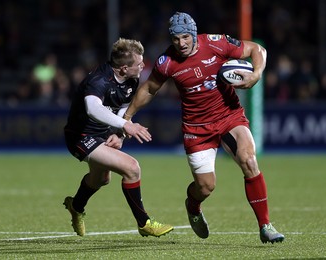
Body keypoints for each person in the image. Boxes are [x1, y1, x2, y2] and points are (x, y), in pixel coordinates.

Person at [123, 12, 285, 243]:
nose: (181, 43)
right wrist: (127, 118)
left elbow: (257, 50)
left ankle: (265, 226)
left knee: (248, 160)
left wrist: (256, 74)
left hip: (229, 116)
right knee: (206, 186)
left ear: (194, 33)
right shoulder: (166, 62)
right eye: (176, 39)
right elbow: (149, 89)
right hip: (196, 128)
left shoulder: (217, 43)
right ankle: (193, 205)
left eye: (185, 37)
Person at [63, 38, 174, 238]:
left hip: (102, 133)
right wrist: (126, 125)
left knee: (102, 179)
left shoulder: (131, 79)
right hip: (80, 136)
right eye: (139, 63)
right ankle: (144, 223)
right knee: (132, 168)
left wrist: (119, 133)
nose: (143, 65)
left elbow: (122, 106)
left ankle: (76, 206)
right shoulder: (99, 80)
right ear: (123, 68)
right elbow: (92, 108)